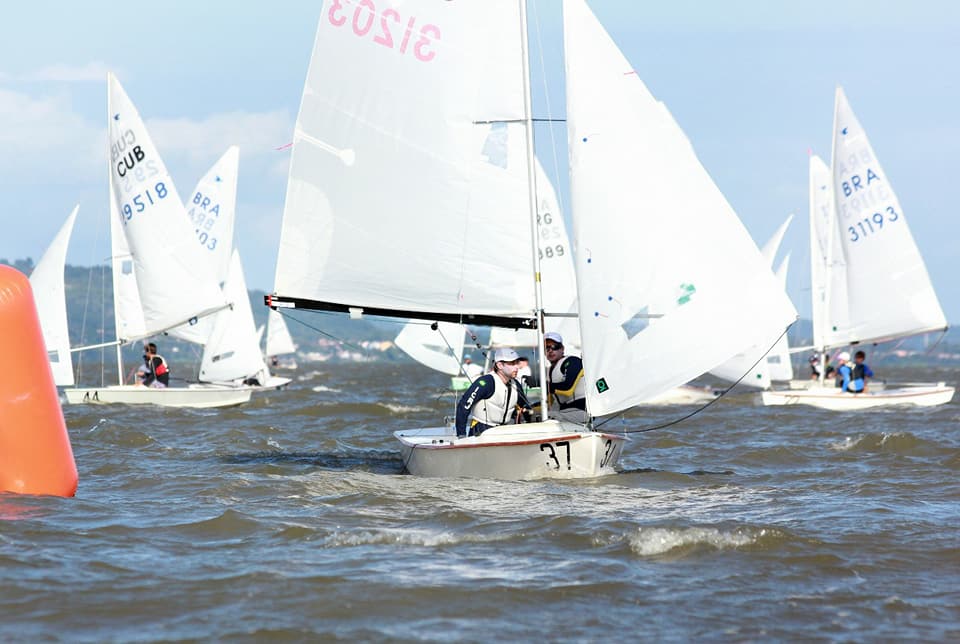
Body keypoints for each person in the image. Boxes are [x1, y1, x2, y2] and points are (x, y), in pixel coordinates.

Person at [455, 348, 532, 438]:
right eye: (512, 363)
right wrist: (461, 435)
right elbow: (464, 406)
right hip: (481, 430)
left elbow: (525, 407)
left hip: (505, 431)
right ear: (500, 365)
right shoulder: (486, 382)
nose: (517, 367)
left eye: (517, 363)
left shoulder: (516, 385)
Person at [543, 331, 587, 424]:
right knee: (535, 415)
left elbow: (568, 388)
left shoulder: (572, 361)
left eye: (555, 347)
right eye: (546, 348)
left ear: (562, 349)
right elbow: (552, 400)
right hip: (566, 411)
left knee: (545, 418)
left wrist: (543, 385)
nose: (550, 350)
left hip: (581, 411)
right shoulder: (550, 370)